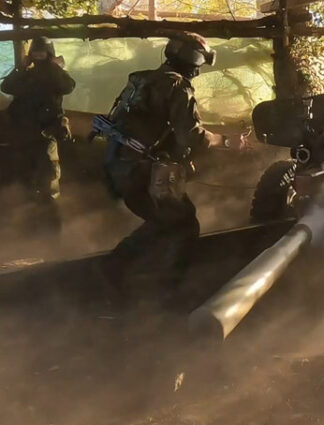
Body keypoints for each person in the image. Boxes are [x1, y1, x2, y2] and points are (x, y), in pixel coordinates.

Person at [96, 31, 246, 305]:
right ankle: (158, 287)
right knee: (183, 223)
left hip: (118, 165)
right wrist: (226, 141)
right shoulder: (177, 86)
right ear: (195, 60)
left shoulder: (143, 79)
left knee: (169, 222)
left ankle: (133, 275)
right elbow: (192, 136)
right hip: (139, 172)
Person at [1, 36, 76, 235]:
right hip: (24, 136)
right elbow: (6, 87)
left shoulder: (54, 75)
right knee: (26, 181)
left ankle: (51, 231)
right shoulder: (27, 75)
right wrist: (21, 68)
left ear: (49, 54)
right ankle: (31, 228)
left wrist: (55, 68)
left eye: (42, 52)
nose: (38, 56)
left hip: (45, 136)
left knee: (48, 182)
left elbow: (68, 86)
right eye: (36, 52)